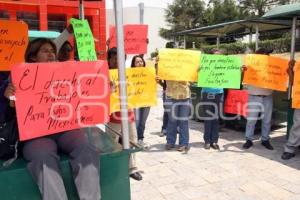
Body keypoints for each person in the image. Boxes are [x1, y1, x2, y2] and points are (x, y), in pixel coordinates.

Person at [4, 38, 101, 200]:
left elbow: (85, 91)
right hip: (35, 135)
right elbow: (11, 109)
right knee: (43, 157)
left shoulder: (67, 72)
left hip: (65, 129)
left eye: (52, 51)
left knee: (86, 148)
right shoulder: (18, 76)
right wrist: (10, 97)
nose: (50, 54)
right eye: (45, 51)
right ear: (33, 56)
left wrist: (102, 85)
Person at [105, 47, 143, 181]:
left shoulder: (129, 74)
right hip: (112, 117)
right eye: (114, 58)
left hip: (128, 114)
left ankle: (131, 168)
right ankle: (114, 167)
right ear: (108, 60)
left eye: (119, 58)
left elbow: (140, 88)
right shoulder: (103, 75)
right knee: (112, 143)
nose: (116, 61)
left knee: (132, 140)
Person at [242, 48, 274, 150]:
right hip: (254, 97)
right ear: (258, 56)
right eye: (265, 54)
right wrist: (243, 71)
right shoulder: (250, 66)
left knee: (267, 120)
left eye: (268, 55)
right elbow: (244, 81)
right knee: (251, 120)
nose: (267, 56)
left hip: (267, 97)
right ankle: (249, 140)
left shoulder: (272, 66)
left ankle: (265, 139)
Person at [200, 49, 224, 150]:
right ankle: (207, 141)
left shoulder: (224, 66)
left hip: (219, 94)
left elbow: (233, 74)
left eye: (219, 56)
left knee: (216, 119)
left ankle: (214, 141)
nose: (217, 58)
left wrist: (239, 70)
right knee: (208, 118)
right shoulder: (205, 65)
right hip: (207, 93)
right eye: (215, 56)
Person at [164, 79, 191, 152]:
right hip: (171, 95)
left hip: (185, 96)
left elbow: (193, 77)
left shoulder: (188, 67)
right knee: (172, 120)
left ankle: (184, 143)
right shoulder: (167, 67)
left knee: (183, 121)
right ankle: (170, 142)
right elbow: (161, 74)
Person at [131, 55, 150, 149]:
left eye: (141, 61)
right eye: (137, 62)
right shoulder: (130, 74)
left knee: (143, 122)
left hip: (147, 101)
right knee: (136, 122)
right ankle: (134, 140)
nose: (140, 63)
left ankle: (140, 139)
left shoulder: (149, 73)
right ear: (133, 64)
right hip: (136, 102)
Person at [282, 60, 299, 160]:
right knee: (297, 125)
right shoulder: (298, 66)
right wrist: (291, 71)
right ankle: (289, 149)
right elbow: (293, 83)